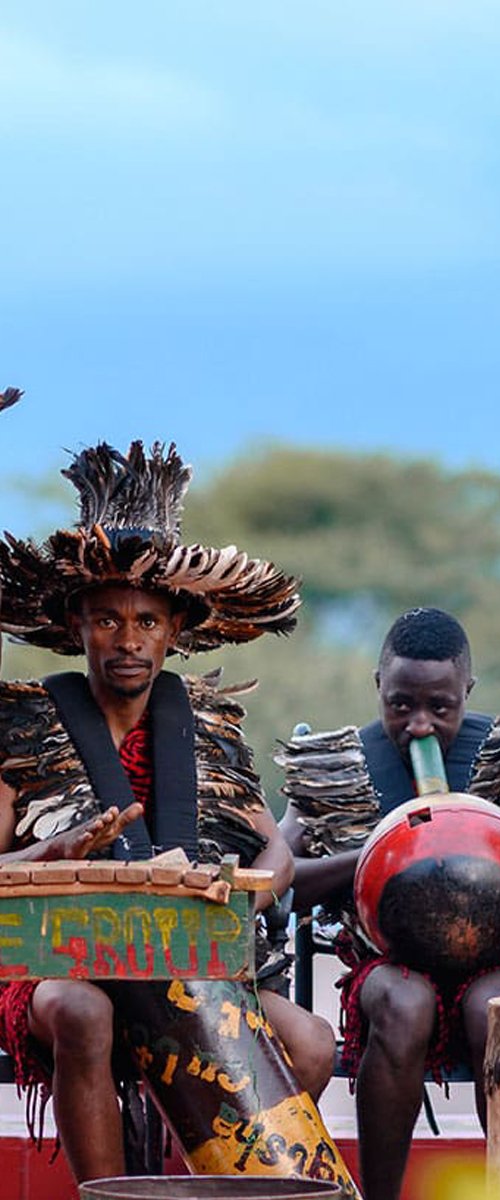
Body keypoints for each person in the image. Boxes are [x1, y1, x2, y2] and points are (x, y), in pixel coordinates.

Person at [0, 440, 336, 1184]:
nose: (128, 639)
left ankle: (194, 1189)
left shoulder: (209, 728)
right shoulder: (24, 728)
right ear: (76, 627)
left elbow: (274, 851)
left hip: (194, 960)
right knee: (85, 1017)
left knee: (310, 1044)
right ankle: (111, 1195)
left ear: (174, 631)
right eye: (107, 620)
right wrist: (48, 859)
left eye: (146, 621)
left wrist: (244, 887)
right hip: (64, 963)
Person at [278, 606, 500, 1200]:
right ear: (378, 686)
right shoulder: (343, 770)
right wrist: (374, 862)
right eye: (401, 704)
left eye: (442, 707)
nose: (420, 726)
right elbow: (279, 876)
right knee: (405, 1002)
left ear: (468, 692)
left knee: (496, 1007)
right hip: (387, 961)